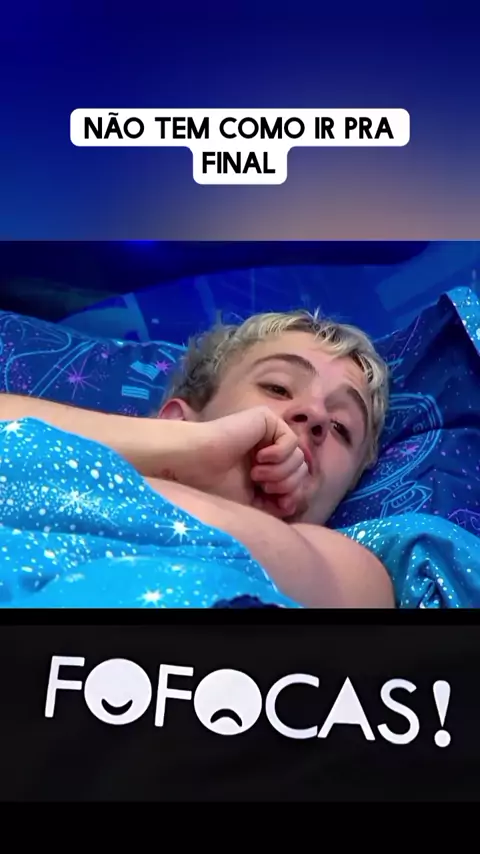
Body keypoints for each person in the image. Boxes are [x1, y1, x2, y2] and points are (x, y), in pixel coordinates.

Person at [0, 309, 395, 608]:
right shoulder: (77, 467)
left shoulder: (352, 571)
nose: (316, 415)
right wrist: (196, 448)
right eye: (277, 387)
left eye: (341, 427)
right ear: (178, 421)